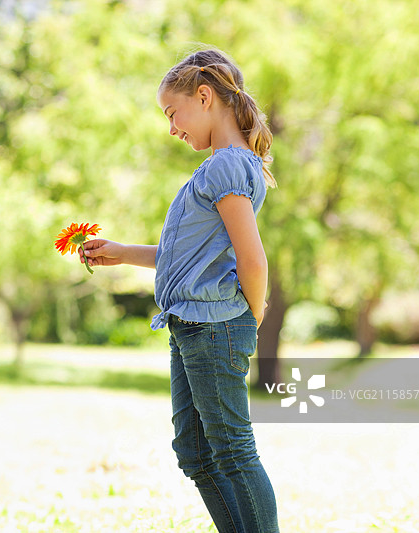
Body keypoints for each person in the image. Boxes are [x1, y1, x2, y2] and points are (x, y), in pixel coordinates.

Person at [79, 48, 279, 533]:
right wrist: (124, 252)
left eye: (173, 113)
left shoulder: (225, 168)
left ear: (205, 97)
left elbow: (252, 260)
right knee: (194, 451)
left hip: (215, 329)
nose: (172, 128)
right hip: (192, 327)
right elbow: (190, 259)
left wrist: (252, 315)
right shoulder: (223, 168)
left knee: (231, 449)